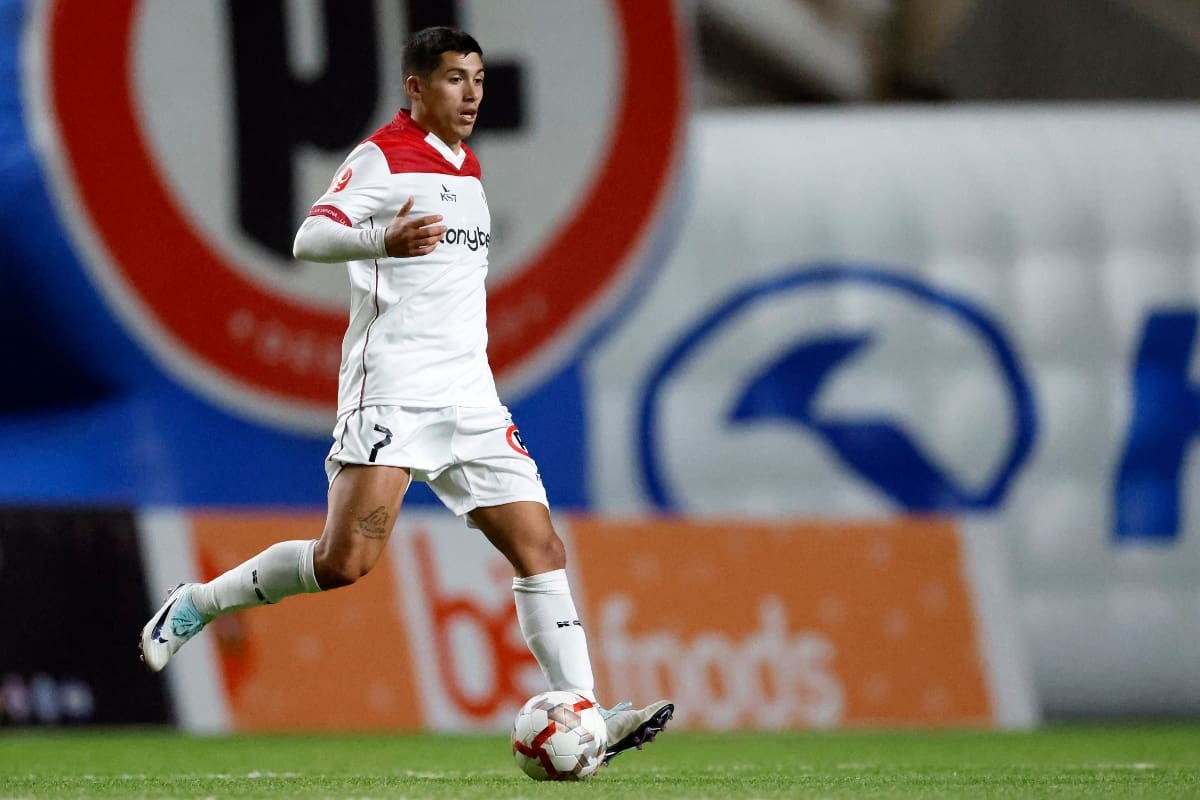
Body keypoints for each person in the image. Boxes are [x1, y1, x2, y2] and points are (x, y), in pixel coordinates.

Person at [140, 26, 672, 762]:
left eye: (478, 79)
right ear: (415, 87)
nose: (472, 94)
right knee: (344, 563)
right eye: (454, 79)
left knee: (540, 546)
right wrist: (381, 241)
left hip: (471, 397)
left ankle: (586, 712)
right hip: (393, 392)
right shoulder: (383, 157)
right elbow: (309, 237)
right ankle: (198, 603)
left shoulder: (467, 168)